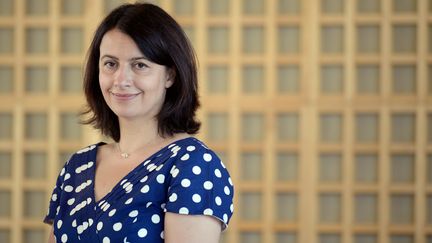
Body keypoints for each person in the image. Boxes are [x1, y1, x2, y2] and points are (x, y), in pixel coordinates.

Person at [43, 3, 234, 242]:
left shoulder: (193, 164)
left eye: (140, 65)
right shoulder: (76, 167)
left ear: (170, 75)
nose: (121, 80)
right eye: (110, 64)